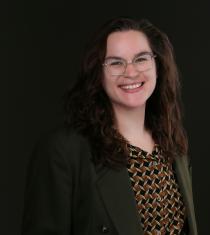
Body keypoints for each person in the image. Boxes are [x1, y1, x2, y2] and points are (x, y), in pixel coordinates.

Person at [21, 17, 198, 235]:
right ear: (99, 74)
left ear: (158, 65)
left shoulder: (172, 143)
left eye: (141, 59)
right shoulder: (63, 151)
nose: (131, 72)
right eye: (116, 63)